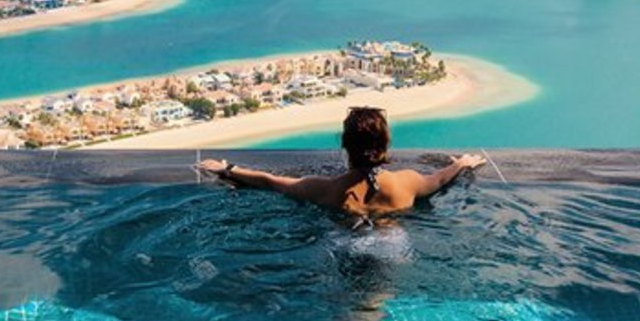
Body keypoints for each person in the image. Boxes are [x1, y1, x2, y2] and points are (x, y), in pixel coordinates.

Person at [197, 106, 486, 218]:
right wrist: (463, 163)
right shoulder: (406, 182)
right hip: (391, 247)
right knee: (367, 311)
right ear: (385, 146)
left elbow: (270, 182)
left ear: (345, 146)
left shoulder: (323, 189)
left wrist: (227, 169)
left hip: (342, 244)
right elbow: (441, 178)